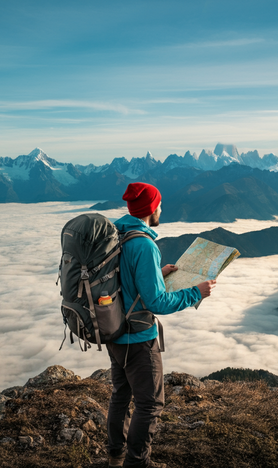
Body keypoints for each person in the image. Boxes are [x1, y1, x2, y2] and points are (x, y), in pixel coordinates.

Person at [106, 182, 216, 468]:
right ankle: (137, 462)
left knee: (121, 395)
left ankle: (115, 456)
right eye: (159, 204)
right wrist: (196, 293)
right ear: (150, 209)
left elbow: (125, 280)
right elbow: (157, 303)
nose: (162, 209)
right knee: (150, 404)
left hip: (114, 330)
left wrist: (157, 273)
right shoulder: (143, 244)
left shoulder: (117, 233)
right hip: (138, 337)